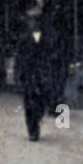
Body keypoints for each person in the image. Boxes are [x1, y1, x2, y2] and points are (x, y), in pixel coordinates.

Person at [17, 11, 59, 141]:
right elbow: (19, 58)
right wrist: (19, 74)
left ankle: (38, 118)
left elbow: (51, 55)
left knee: (41, 102)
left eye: (34, 21)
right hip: (29, 75)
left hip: (42, 75)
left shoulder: (47, 39)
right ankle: (33, 131)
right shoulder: (24, 39)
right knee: (29, 104)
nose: (32, 24)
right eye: (30, 21)